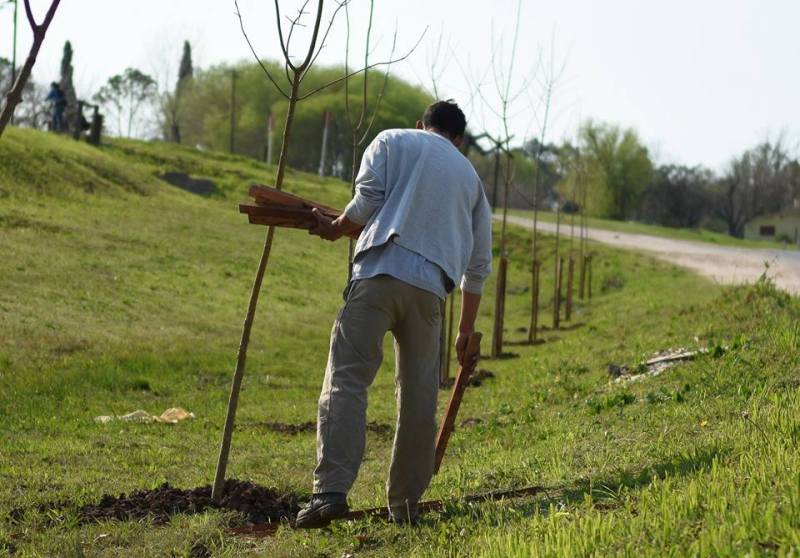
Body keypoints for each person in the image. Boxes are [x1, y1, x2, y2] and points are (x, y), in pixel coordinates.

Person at [297, 100, 492, 528]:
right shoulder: (470, 179)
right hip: (429, 293)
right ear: (459, 141)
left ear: (420, 124)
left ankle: (330, 491)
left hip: (379, 271)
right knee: (420, 397)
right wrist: (465, 331)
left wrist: (334, 228)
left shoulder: (392, 140)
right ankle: (404, 507)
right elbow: (477, 269)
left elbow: (366, 204)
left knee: (348, 377)